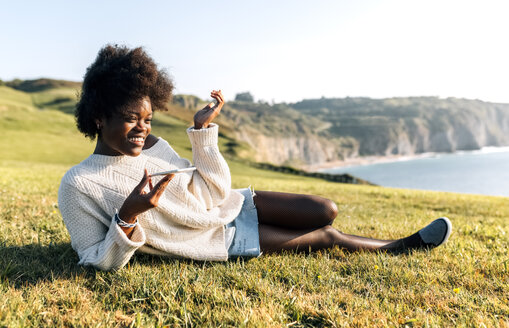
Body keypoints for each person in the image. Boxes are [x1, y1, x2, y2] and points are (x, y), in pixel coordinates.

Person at [58, 45, 452, 271]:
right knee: (327, 237)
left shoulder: (155, 147)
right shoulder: (78, 184)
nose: (142, 128)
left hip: (229, 206)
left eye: (147, 118)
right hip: (214, 237)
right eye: (131, 119)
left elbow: (212, 190)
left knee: (326, 209)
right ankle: (402, 246)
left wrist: (202, 135)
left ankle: (393, 242)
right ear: (98, 117)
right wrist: (128, 215)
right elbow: (94, 258)